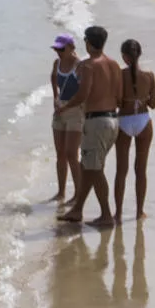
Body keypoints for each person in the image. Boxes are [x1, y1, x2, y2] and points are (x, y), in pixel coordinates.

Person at [58, 27, 121, 229]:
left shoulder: (88, 66)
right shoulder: (113, 64)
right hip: (113, 120)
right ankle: (78, 210)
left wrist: (65, 107)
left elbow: (83, 94)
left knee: (94, 169)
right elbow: (119, 95)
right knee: (88, 167)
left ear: (88, 42)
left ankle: (105, 214)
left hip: (96, 121)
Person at [111, 38, 155, 222]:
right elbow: (153, 104)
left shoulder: (119, 76)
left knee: (121, 170)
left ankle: (119, 213)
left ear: (124, 56)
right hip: (144, 121)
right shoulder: (149, 76)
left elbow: (116, 102)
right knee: (141, 170)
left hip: (124, 121)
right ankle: (139, 212)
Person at [48, 32, 84, 203]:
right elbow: (53, 77)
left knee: (71, 154)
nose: (58, 52)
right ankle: (61, 192)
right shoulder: (57, 63)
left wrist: (67, 106)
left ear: (71, 48)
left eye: (61, 49)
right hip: (60, 110)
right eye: (56, 49)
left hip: (75, 111)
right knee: (60, 154)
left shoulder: (79, 66)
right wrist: (55, 97)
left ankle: (78, 194)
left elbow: (84, 92)